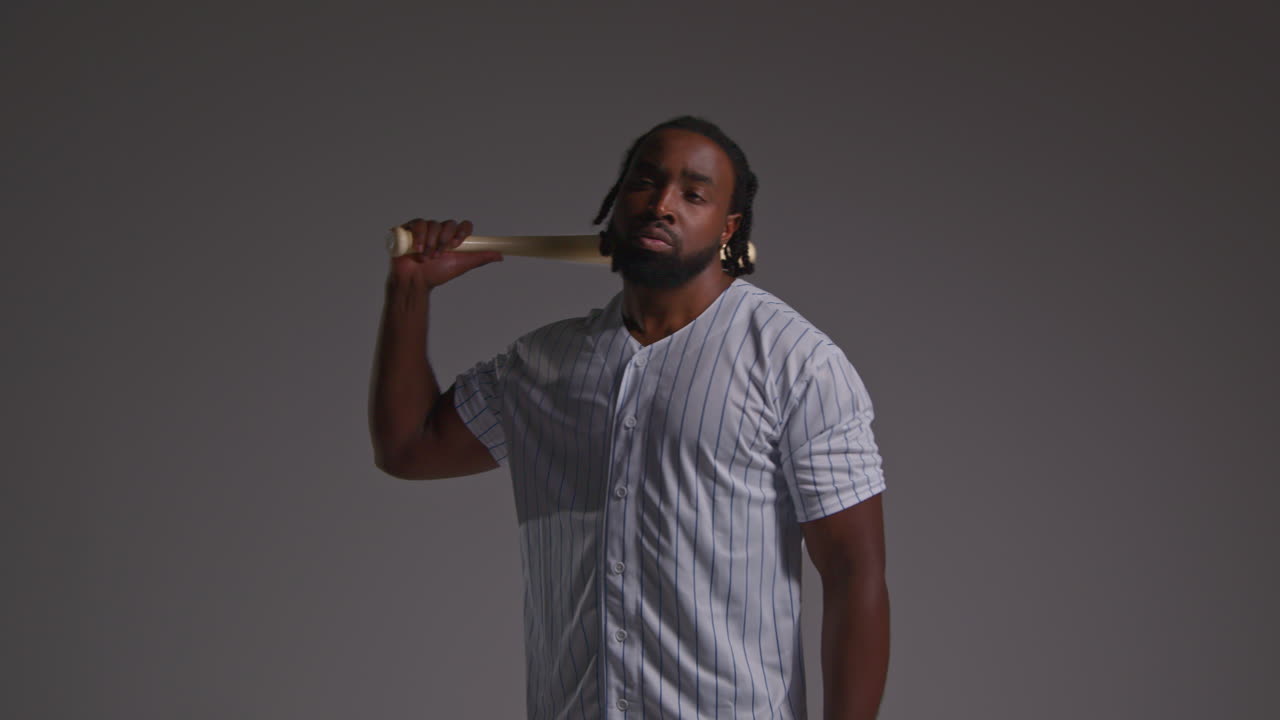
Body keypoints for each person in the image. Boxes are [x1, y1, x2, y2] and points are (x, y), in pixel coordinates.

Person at [369, 116, 889, 719]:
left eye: (693, 194)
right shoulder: (541, 363)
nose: (663, 204)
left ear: (728, 229)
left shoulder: (795, 363)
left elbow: (856, 576)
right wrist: (409, 291)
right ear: (615, 205)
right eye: (646, 182)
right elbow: (408, 448)